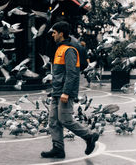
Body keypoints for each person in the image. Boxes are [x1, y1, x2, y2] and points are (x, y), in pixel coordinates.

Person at [41, 21, 99, 159]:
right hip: (57, 91)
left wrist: (66, 92)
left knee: (65, 119)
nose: (52, 35)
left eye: (54, 32)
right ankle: (58, 149)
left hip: (64, 92)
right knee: (53, 121)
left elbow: (72, 73)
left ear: (61, 33)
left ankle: (89, 136)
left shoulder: (70, 50)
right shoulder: (59, 48)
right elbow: (60, 72)